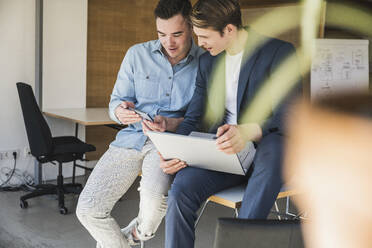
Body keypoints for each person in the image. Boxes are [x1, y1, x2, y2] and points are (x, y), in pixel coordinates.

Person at [158, 0, 302, 247]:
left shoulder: (278, 52)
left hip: (265, 148)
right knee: (182, 188)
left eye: (204, 36)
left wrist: (247, 131)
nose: (200, 43)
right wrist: (173, 150)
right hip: (223, 152)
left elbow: (291, 115)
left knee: (275, 148)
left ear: (230, 29)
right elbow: (195, 115)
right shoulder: (208, 62)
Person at [75, 0, 204, 247]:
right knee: (88, 210)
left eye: (177, 34)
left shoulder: (205, 62)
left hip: (167, 145)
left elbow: (206, 119)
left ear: (191, 27)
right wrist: (120, 112)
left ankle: (135, 237)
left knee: (154, 203)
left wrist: (172, 123)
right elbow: (116, 102)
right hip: (130, 139)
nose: (169, 42)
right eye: (162, 34)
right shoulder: (137, 54)